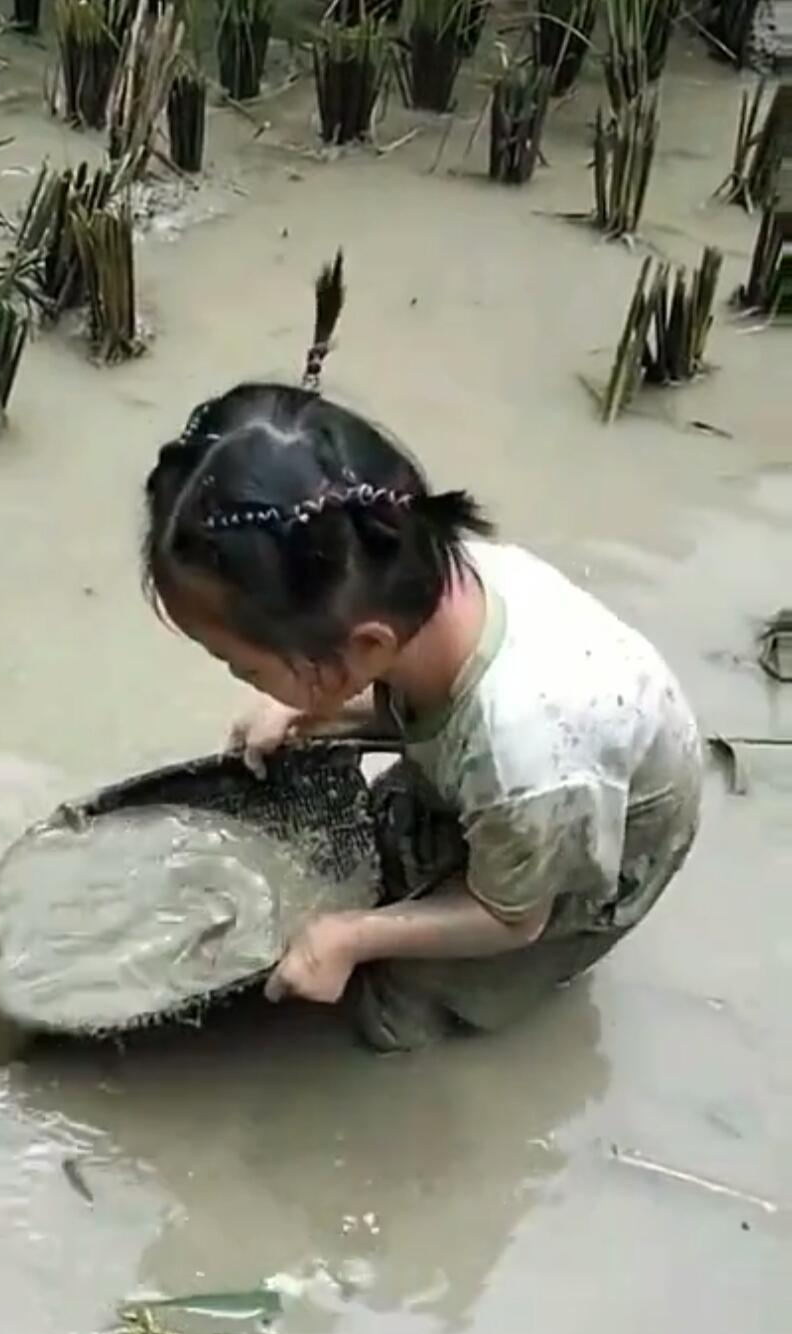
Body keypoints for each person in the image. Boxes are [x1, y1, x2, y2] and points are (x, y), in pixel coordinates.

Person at [140, 253, 704, 1053]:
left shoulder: (524, 755)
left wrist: (353, 939)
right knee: (386, 838)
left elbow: (515, 918)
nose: (239, 680)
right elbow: (424, 709)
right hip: (530, 779)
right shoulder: (423, 576)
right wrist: (317, 710)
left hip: (595, 841)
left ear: (360, 646)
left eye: (244, 666)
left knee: (387, 1015)